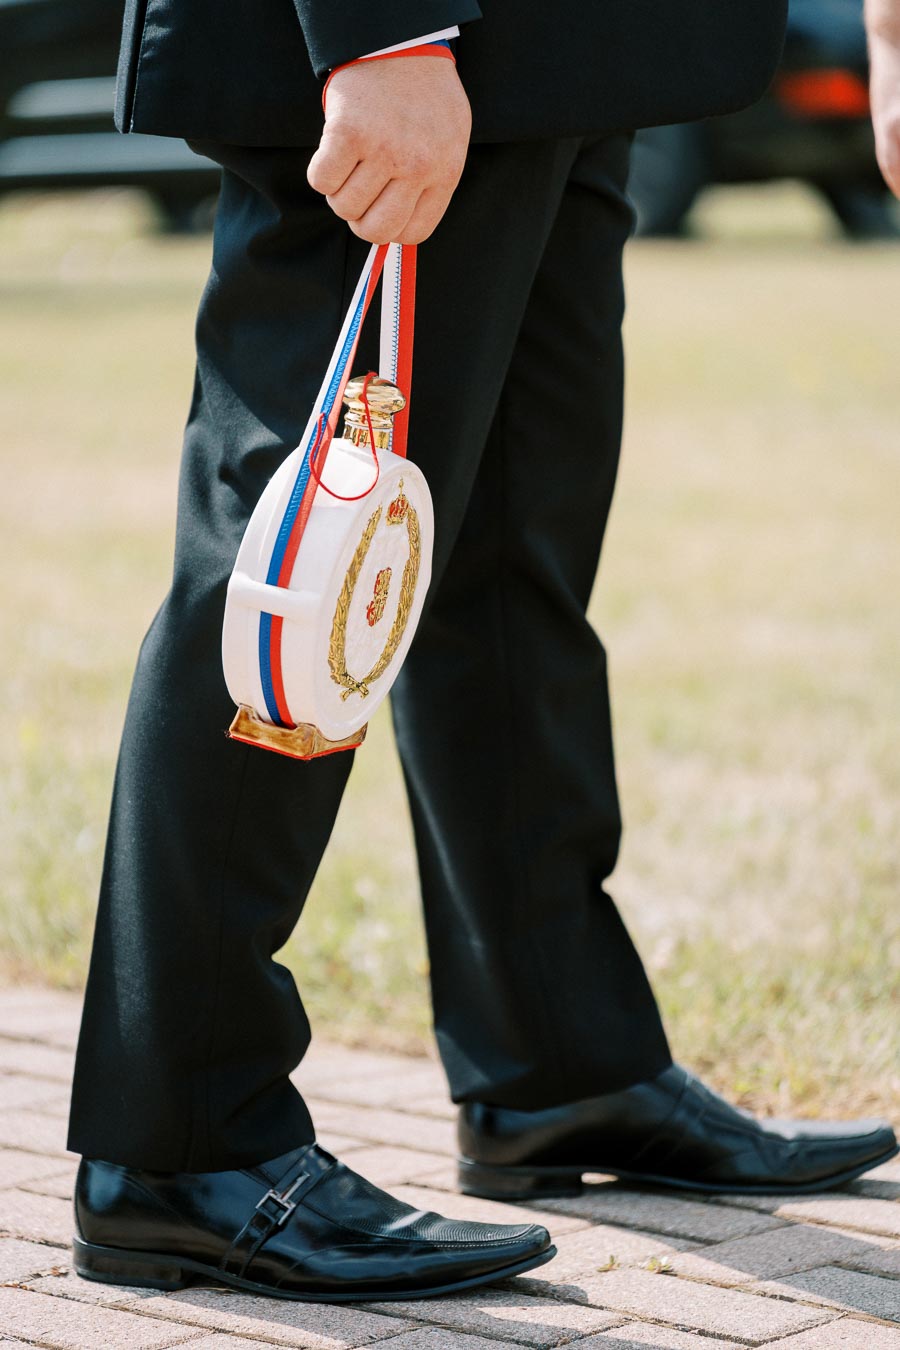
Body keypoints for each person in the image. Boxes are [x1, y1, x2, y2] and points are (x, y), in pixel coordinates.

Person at [67, 0, 897, 1304]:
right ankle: (181, 1138)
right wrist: (382, 29)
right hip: (414, 47)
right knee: (295, 558)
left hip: (565, 47)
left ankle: (559, 1061)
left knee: (512, 558)